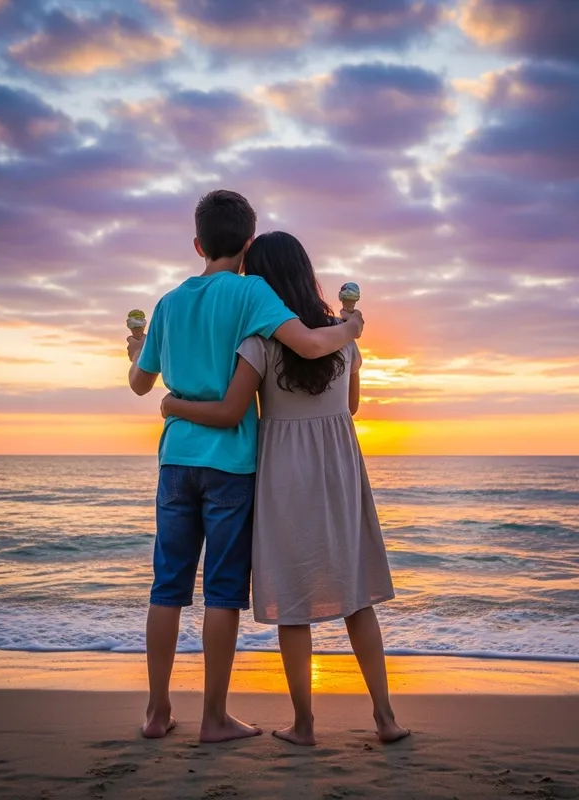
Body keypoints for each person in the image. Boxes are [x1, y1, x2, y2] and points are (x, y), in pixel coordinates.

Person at [126, 192, 364, 742]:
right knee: (223, 592)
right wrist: (351, 330)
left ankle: (157, 713)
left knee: (167, 587)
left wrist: (136, 351)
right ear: (249, 243)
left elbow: (140, 383)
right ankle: (213, 717)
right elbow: (308, 344)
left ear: (197, 244)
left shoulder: (168, 303)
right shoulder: (252, 290)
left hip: (176, 459)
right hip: (231, 462)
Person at [161, 231, 409, 746]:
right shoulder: (343, 339)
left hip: (283, 476)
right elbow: (352, 407)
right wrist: (350, 329)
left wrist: (173, 403)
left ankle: (304, 724)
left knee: (294, 604)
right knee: (357, 598)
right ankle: (385, 718)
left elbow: (233, 408)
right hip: (339, 472)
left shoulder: (259, 343)